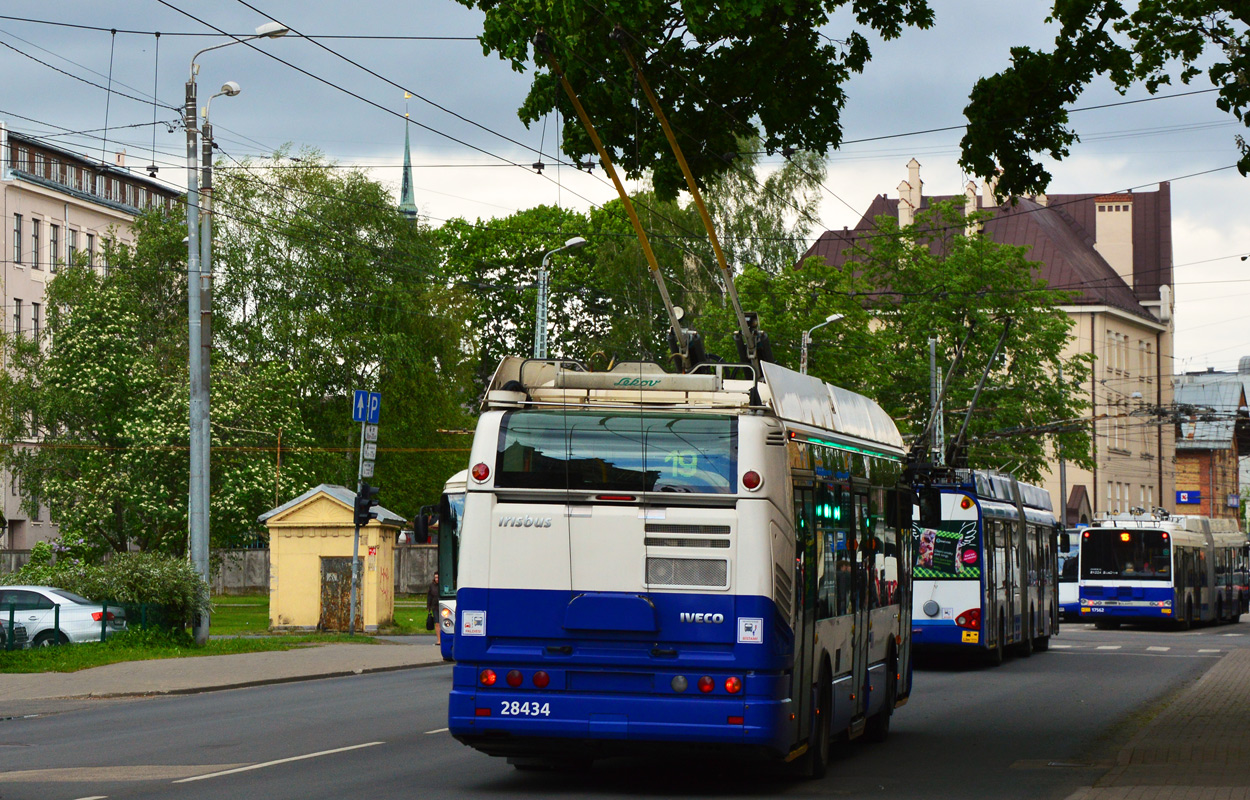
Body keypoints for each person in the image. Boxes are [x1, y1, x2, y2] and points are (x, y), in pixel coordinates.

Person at [427, 571, 440, 644]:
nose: (437, 579)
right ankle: (439, 640)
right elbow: (429, 596)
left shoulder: (443, 585)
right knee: (437, 623)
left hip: (442, 605)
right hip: (434, 607)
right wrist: (428, 606)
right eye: (435, 577)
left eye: (438, 577)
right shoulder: (431, 586)